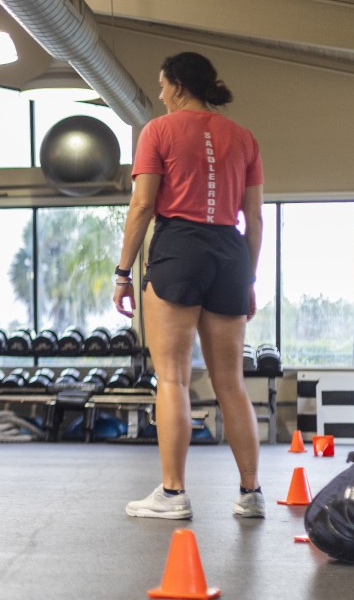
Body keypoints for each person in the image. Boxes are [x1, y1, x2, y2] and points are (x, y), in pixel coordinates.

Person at [113, 52, 265, 520]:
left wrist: (122, 273)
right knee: (231, 383)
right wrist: (249, 278)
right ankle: (251, 493)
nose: (159, 95)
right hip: (230, 252)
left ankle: (173, 495)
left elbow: (142, 207)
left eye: (161, 85)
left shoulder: (158, 131)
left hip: (180, 247)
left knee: (173, 377)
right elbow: (254, 218)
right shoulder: (244, 137)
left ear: (177, 85)